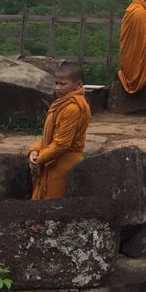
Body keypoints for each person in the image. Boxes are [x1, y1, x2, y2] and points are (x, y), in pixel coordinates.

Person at [27, 63, 92, 199]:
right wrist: (35, 150)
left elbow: (62, 144)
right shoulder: (62, 103)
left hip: (63, 164)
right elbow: (50, 138)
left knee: (52, 208)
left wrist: (40, 159)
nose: (57, 88)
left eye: (63, 84)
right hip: (52, 159)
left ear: (78, 85)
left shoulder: (73, 108)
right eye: (56, 83)